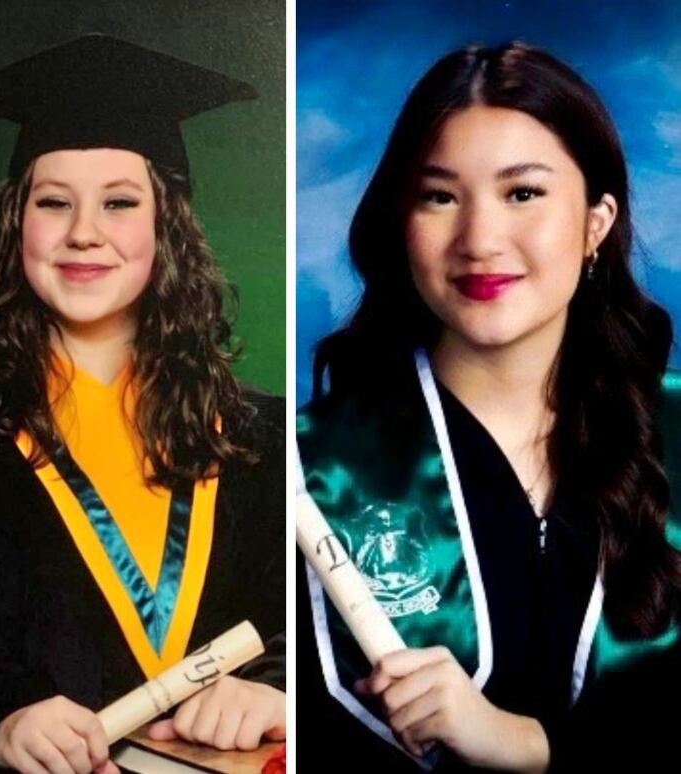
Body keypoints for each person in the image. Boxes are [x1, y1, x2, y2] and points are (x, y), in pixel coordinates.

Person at [0, 35, 284, 774]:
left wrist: (277, 690)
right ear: (17, 220)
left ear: (164, 225)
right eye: (53, 202)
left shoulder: (253, 435)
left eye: (119, 202)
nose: (84, 232)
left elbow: (302, 625)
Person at [297, 41, 681, 772]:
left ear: (597, 221)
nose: (479, 240)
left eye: (523, 194)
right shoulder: (310, 468)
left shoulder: (676, 432)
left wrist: (524, 742)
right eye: (439, 196)